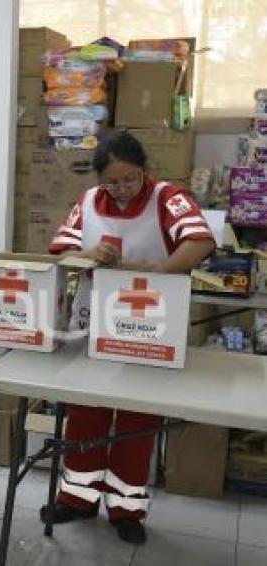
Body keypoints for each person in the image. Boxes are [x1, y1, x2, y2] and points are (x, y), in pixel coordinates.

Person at [43, 130, 216, 544]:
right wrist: (88, 255)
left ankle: (126, 508)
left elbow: (201, 240)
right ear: (98, 179)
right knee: (86, 410)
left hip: (148, 322)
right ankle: (77, 497)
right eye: (112, 181)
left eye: (130, 179)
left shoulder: (167, 198)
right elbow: (59, 253)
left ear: (144, 171)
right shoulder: (86, 203)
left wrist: (157, 274)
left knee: (137, 416)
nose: (121, 189)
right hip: (93, 321)